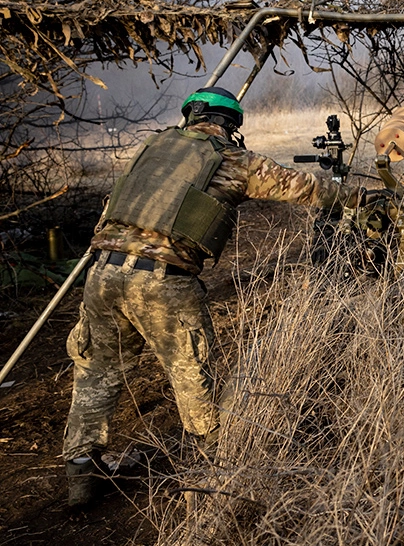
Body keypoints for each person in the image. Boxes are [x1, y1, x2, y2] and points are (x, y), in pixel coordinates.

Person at [63, 86, 361, 506]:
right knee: (193, 380)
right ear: (229, 125)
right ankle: (207, 480)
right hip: (163, 281)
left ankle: (80, 475)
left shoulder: (152, 148)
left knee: (96, 373)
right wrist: (359, 197)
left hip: (102, 274)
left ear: (190, 117)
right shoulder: (233, 159)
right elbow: (306, 189)